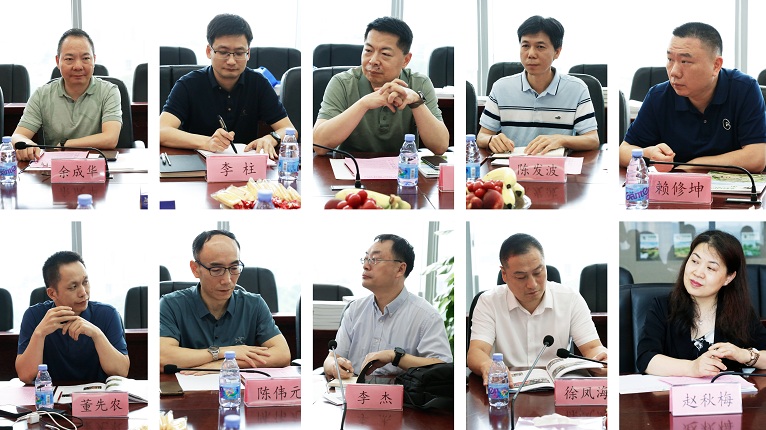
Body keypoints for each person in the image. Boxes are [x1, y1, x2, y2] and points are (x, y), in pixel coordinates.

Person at [619, 22, 766, 173]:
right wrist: (648, 153)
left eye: (685, 61)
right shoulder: (658, 96)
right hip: (676, 186)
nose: (674, 72)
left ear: (716, 65)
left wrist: (694, 165)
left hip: (728, 188)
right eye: (670, 59)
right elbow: (623, 151)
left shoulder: (744, 89)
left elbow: (756, 157)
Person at [467, 233, 607, 386]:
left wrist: (602, 359)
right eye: (521, 277)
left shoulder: (570, 298)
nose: (532, 284)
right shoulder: (489, 301)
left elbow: (593, 347)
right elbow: (477, 351)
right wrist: (487, 365)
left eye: (538, 272)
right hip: (508, 389)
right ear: (504, 275)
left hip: (557, 390)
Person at [160, 14, 295, 160]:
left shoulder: (258, 83)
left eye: (239, 53)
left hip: (246, 167)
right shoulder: (188, 84)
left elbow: (289, 129)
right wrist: (207, 142)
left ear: (248, 53)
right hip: (198, 166)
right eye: (223, 52)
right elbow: (161, 130)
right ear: (209, 51)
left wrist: (272, 138)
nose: (231, 61)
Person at [637, 230, 766, 376]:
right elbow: (646, 359)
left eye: (710, 268)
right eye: (694, 261)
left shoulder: (741, 313)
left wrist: (745, 355)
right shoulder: (663, 306)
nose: (698, 273)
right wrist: (692, 368)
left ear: (728, 278)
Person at [323, 234, 452, 380]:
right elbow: (331, 358)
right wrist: (334, 366)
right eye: (365, 259)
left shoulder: (426, 316)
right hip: (355, 390)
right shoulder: (354, 310)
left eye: (375, 259)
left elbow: (442, 366)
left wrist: (395, 357)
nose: (366, 265)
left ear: (400, 269)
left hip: (402, 393)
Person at [313, 17, 449, 155]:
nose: (373, 61)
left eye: (385, 54)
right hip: (349, 166)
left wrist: (417, 103)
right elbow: (319, 146)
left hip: (402, 167)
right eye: (368, 50)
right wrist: (363, 104)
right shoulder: (342, 83)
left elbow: (440, 146)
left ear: (406, 60)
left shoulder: (419, 83)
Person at [159, 230, 291, 370]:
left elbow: (282, 355)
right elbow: (162, 358)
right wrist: (223, 352)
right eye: (216, 270)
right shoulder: (171, 305)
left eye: (234, 268)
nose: (227, 280)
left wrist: (222, 365)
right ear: (195, 269)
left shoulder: (254, 305)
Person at [476, 16, 599, 155]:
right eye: (525, 46)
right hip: (512, 165)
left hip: (556, 165)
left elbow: (593, 139)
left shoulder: (577, 89)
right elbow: (482, 136)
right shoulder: (501, 88)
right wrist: (491, 139)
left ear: (557, 52)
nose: (531, 54)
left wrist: (561, 140)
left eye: (540, 47)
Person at [16, 251, 129, 383]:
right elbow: (25, 376)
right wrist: (39, 334)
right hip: (50, 395)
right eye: (73, 287)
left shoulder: (107, 314)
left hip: (96, 394)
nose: (83, 292)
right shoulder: (34, 316)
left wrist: (97, 334)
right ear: (52, 293)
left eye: (85, 282)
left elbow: (122, 371)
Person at [12, 28, 122, 161]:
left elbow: (110, 138)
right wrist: (27, 145)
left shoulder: (109, 91)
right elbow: (18, 136)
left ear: (94, 60)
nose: (78, 66)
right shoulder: (42, 95)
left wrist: (65, 144)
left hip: (97, 166)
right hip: (55, 168)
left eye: (86, 58)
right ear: (57, 61)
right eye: (69, 59)